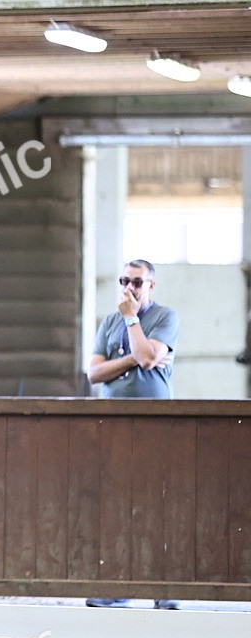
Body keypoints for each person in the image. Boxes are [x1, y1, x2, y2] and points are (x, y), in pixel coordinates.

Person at [85, 259, 181, 610]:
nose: (129, 288)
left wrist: (132, 321)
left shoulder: (166, 318)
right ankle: (119, 584)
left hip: (154, 423)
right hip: (113, 422)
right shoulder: (108, 322)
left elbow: (145, 356)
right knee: (117, 503)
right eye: (125, 280)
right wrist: (135, 359)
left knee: (157, 503)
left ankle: (163, 587)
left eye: (137, 282)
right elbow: (94, 373)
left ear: (151, 286)